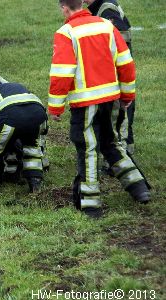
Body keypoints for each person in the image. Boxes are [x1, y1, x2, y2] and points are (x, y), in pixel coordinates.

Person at [48, 0, 150, 216]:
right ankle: (139, 187)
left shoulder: (66, 32)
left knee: (88, 149)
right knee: (111, 142)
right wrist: (127, 94)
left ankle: (91, 204)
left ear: (64, 8)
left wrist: (55, 108)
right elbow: (126, 63)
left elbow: (62, 73)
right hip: (111, 99)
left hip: (86, 104)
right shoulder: (105, 25)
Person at [0, 78, 48, 201]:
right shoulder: (12, 87)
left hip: (11, 114)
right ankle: (36, 186)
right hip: (38, 113)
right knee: (31, 149)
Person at [84, 0, 135, 155]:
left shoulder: (106, 9)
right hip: (116, 69)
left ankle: (121, 154)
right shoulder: (99, 7)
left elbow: (122, 37)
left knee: (120, 112)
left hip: (118, 71)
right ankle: (125, 148)